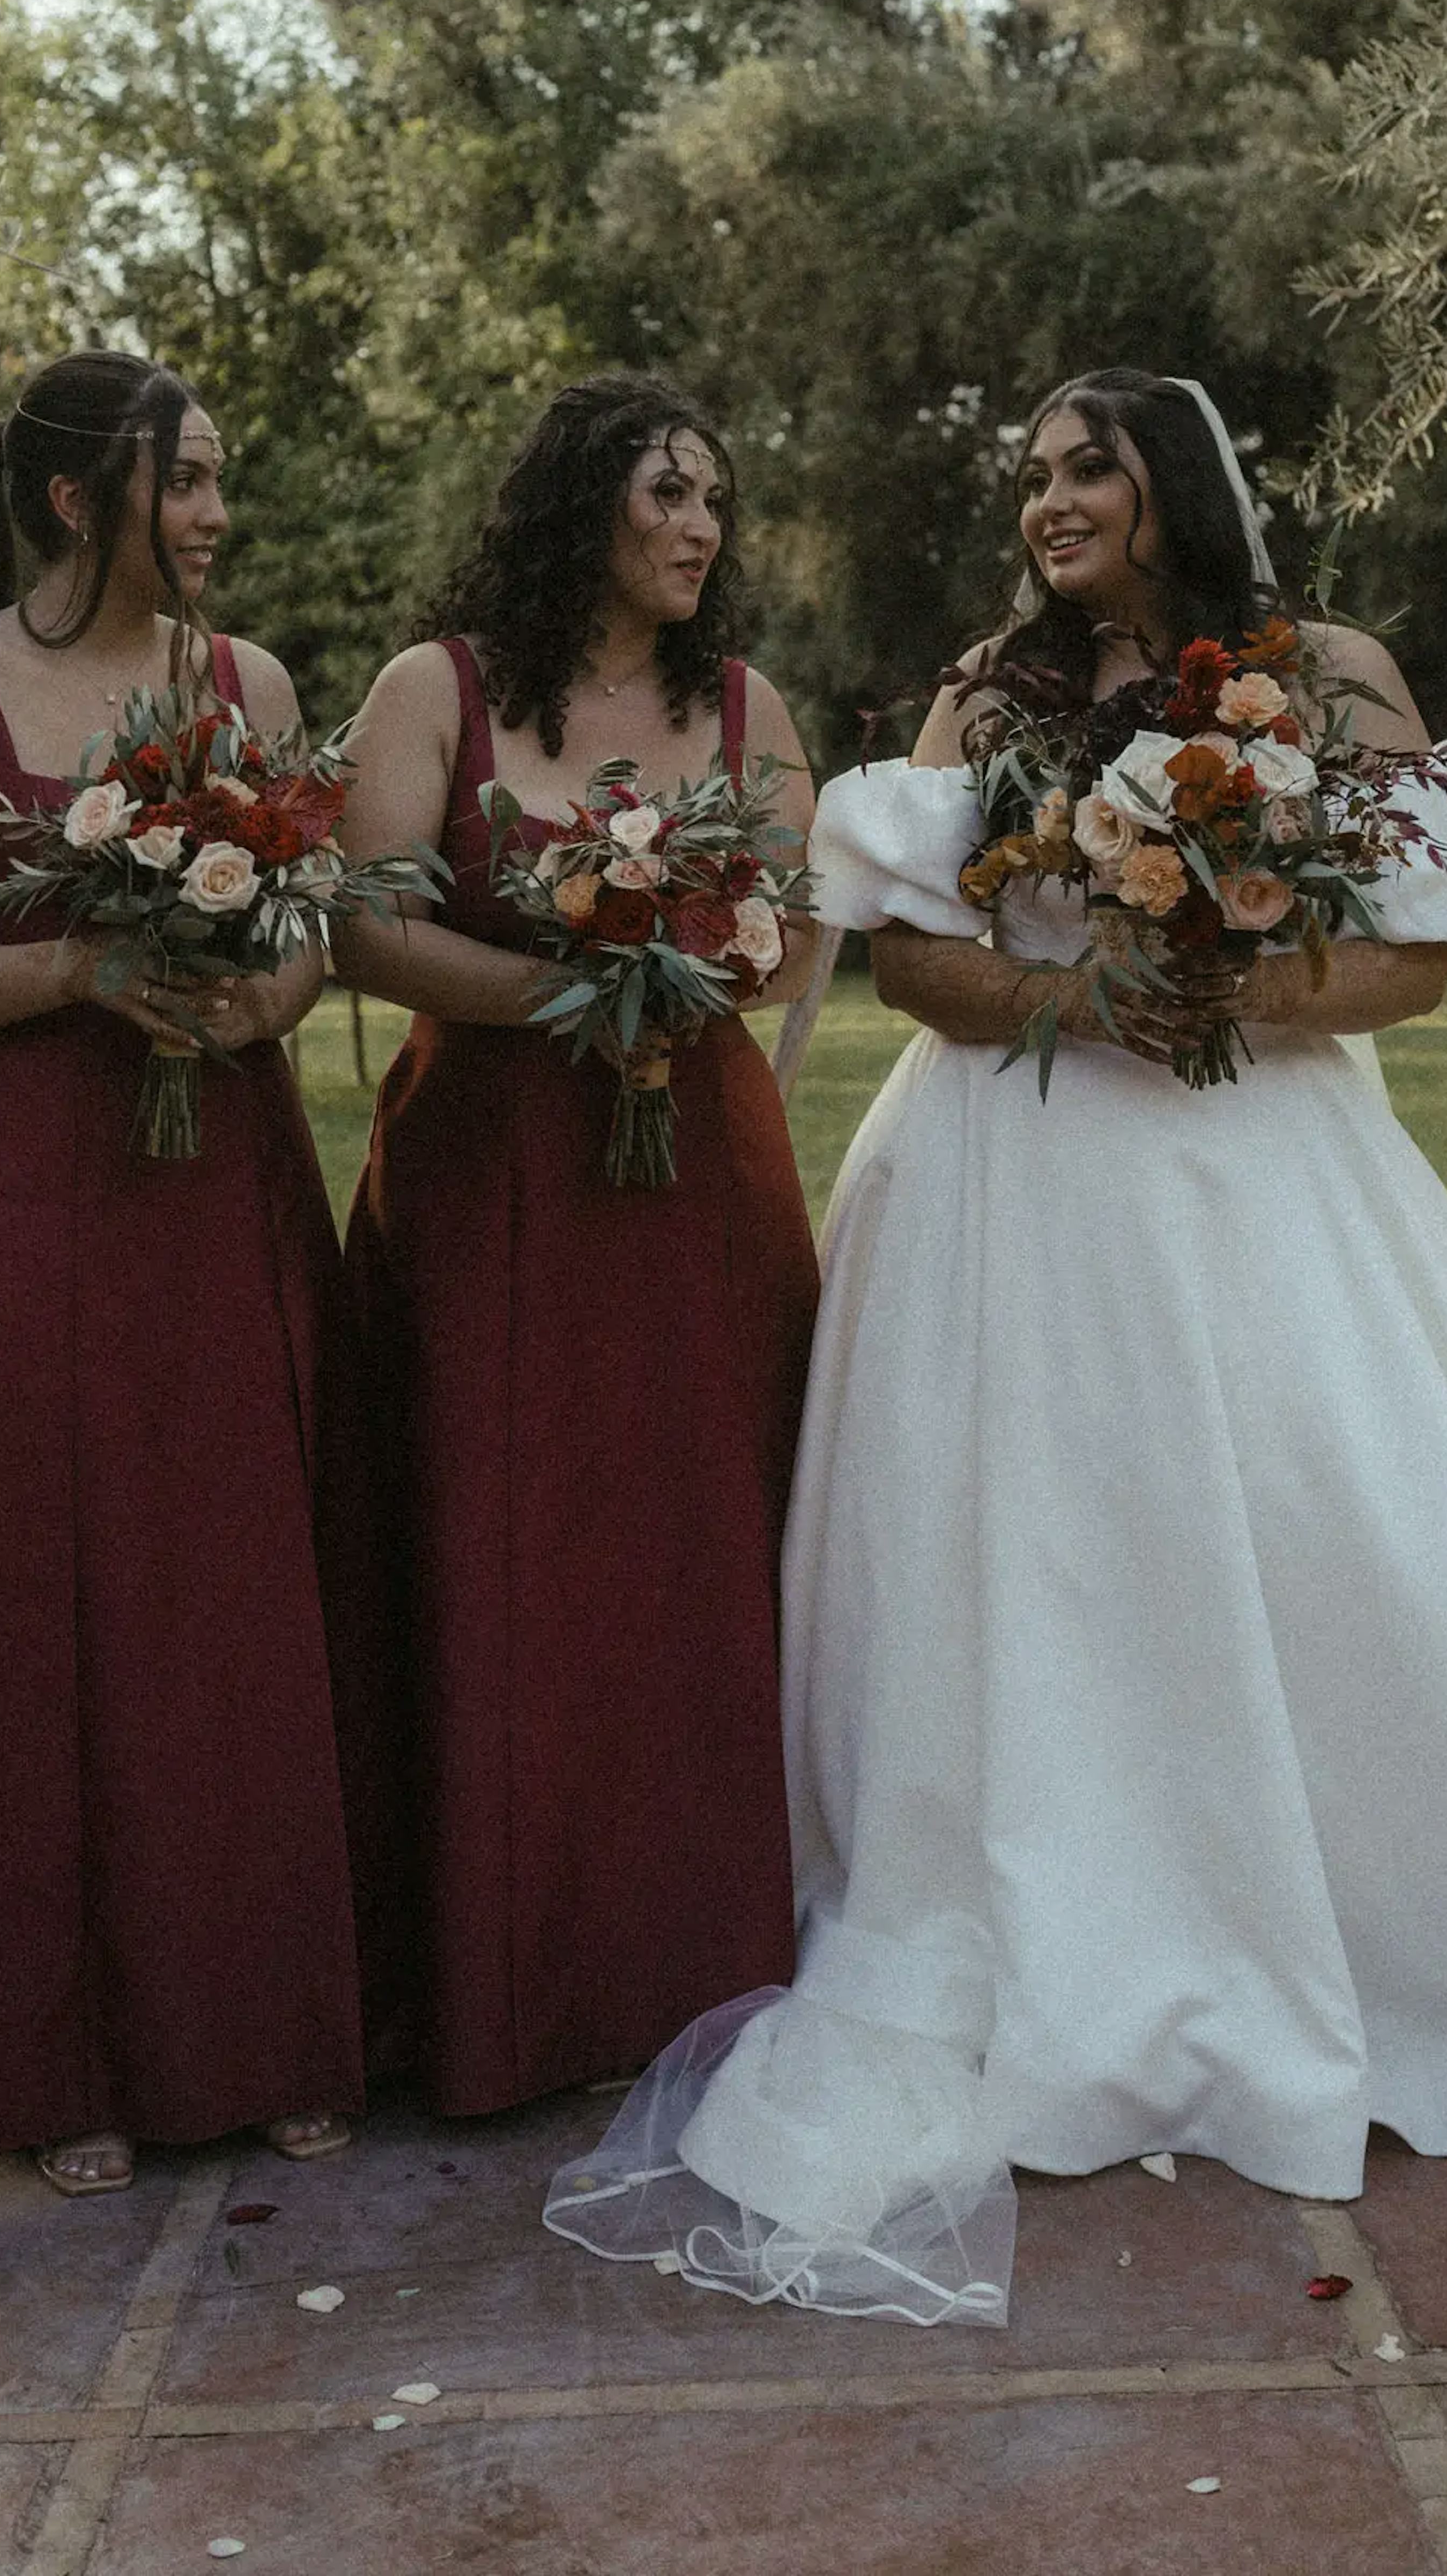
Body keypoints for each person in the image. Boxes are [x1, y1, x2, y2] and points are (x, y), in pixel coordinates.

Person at [545, 366, 1447, 2326]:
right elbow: (911, 962)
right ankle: (1067, 1905)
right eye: (1034, 474)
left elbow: (1415, 959)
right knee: (1033, 1557)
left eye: (1089, 466)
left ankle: (1442, 1933)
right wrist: (1086, 1007)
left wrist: (1235, 978)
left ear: (1178, 485)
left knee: (1356, 1534)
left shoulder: (1326, 674)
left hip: (1267, 1165)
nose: (1050, 499)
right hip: (1012, 1184)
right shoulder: (988, 691)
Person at [0, 349, 364, 2199]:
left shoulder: (253, 684)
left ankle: (271, 2023)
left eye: (217, 479)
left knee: (238, 1595)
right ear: (72, 498)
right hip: (37, 1195)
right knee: (57, 1606)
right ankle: (65, 2056)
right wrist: (79, 973)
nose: (212, 514)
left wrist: (247, 996)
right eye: (180, 481)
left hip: (224, 1187)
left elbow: (311, 933)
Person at [329, 373, 821, 2115]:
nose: (702, 530)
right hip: (489, 1184)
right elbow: (367, 923)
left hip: (698, 1180)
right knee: (491, 1551)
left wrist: (689, 981)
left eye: (716, 504)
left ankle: (694, 1971)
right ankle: (491, 1984)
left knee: (695, 1563)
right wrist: (564, 993)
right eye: (668, 496)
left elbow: (784, 925)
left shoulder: (750, 704)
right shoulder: (433, 691)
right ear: (577, 507)